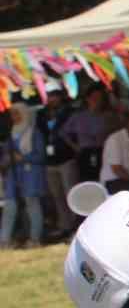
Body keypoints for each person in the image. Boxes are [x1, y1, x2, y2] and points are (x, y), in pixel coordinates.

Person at [2, 102, 47, 248]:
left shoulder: (34, 133)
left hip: (31, 174)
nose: (14, 117)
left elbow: (41, 156)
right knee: (10, 205)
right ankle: (4, 240)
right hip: (13, 174)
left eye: (17, 113)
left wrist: (23, 158)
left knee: (32, 203)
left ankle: (34, 239)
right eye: (12, 114)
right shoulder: (11, 133)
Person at [42, 84, 80, 233]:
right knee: (57, 195)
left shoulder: (70, 112)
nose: (52, 98)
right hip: (50, 161)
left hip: (66, 158)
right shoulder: (43, 114)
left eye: (55, 95)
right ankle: (65, 225)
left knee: (71, 193)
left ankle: (77, 225)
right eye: (50, 95)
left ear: (60, 96)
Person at [63, 84, 114, 184]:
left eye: (100, 98)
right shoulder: (78, 116)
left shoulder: (107, 116)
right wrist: (74, 146)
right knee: (86, 182)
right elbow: (64, 132)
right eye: (94, 97)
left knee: (103, 180)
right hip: (85, 152)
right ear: (88, 99)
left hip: (102, 151)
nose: (97, 101)